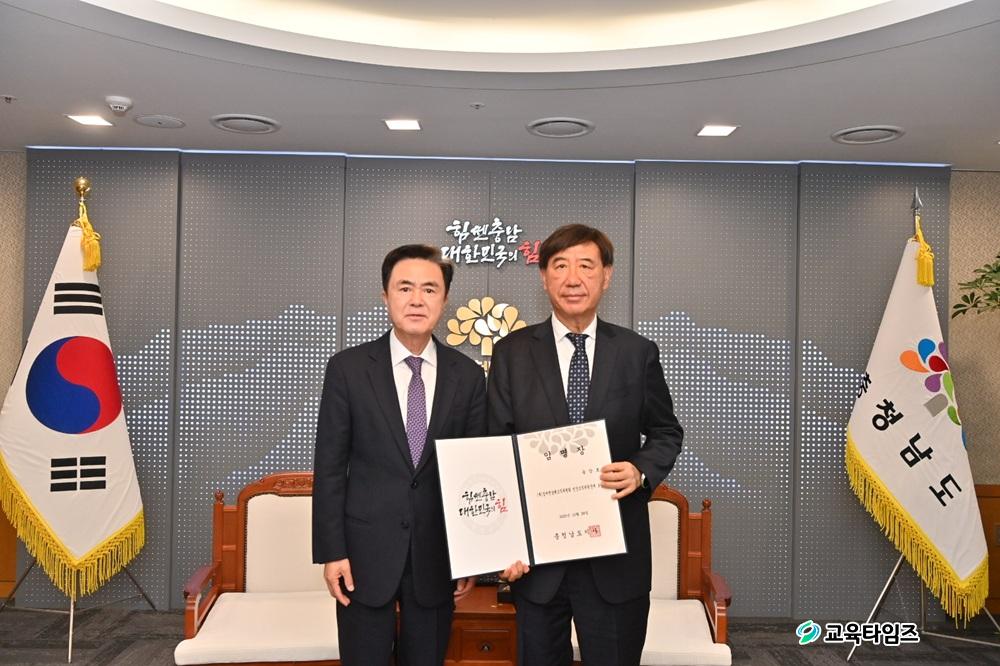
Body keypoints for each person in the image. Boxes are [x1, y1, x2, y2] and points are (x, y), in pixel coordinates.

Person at [488, 224, 684, 666]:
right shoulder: (512, 354)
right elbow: (494, 450)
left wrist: (640, 469)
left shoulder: (637, 353)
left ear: (606, 275)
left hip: (615, 558)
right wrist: (503, 543)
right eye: (560, 266)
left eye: (586, 266)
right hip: (538, 564)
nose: (572, 278)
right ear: (544, 277)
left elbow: (666, 431)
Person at [312, 244, 486, 666]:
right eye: (404, 288)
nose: (416, 299)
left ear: (445, 299)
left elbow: (474, 473)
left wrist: (473, 556)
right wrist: (333, 552)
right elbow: (330, 468)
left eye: (429, 289)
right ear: (385, 295)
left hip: (437, 556)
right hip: (363, 555)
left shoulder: (467, 376)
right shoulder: (348, 369)